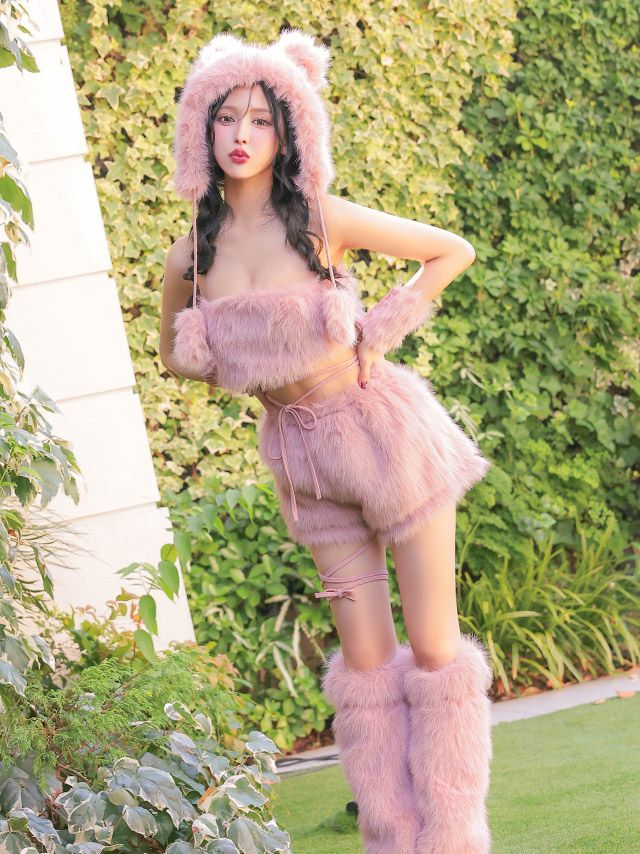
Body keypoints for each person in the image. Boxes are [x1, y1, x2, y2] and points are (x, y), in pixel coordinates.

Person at [160, 28, 494, 854]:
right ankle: (392, 835)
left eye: (261, 120)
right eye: (226, 118)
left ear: (290, 131)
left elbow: (449, 252)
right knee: (366, 667)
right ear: (201, 130)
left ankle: (453, 837)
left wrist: (381, 328)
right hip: (303, 460)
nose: (241, 136)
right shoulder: (189, 256)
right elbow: (173, 356)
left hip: (387, 435)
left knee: (434, 648)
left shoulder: (320, 219)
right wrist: (219, 357)